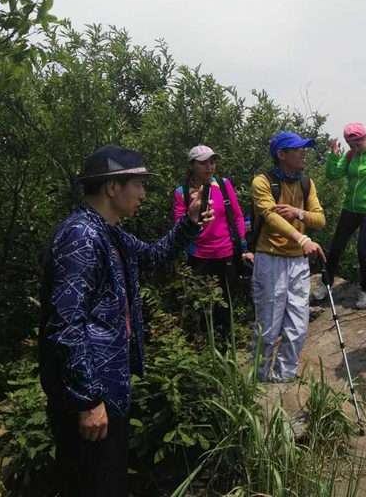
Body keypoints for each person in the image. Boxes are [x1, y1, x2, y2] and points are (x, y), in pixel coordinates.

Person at [39, 145, 212, 497]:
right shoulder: (82, 237)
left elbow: (154, 256)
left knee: (107, 481)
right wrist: (88, 400)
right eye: (138, 184)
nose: (144, 193)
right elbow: (66, 326)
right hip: (91, 396)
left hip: (107, 388)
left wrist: (190, 223)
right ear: (112, 186)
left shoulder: (108, 231)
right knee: (95, 485)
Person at [250, 131, 326, 382]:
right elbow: (270, 217)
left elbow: (320, 219)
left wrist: (298, 212)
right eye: (298, 149)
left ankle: (284, 377)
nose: (304, 153)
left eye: (304, 148)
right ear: (281, 154)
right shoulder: (262, 182)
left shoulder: (306, 182)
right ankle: (258, 380)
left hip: (298, 262)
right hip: (270, 258)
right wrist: (302, 239)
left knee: (297, 327)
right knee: (268, 328)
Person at [173, 145, 254, 340]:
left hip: (226, 253)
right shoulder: (182, 192)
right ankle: (205, 345)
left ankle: (226, 344)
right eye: (203, 163)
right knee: (202, 306)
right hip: (199, 257)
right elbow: (178, 227)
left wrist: (243, 248)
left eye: (212, 162)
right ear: (191, 166)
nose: (209, 167)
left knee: (226, 303)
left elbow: (237, 216)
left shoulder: (223, 185)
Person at [313, 122, 366, 309]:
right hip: (350, 207)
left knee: (364, 252)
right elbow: (333, 175)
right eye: (351, 145)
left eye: (358, 143)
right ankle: (326, 284)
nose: (355, 148)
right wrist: (333, 156)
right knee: (335, 248)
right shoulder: (349, 156)